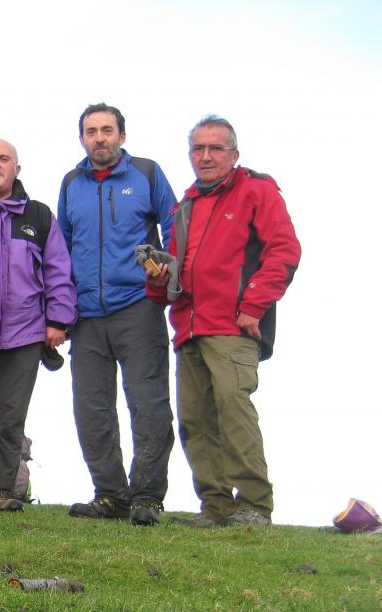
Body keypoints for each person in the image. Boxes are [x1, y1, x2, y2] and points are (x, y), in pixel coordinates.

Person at [147, 116, 301, 528]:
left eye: (216, 148)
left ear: (235, 154)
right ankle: (215, 507)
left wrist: (254, 305)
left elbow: (284, 251)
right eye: (198, 149)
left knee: (234, 412)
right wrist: (159, 278)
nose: (206, 156)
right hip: (189, 326)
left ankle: (254, 505)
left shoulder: (256, 189)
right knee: (195, 420)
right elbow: (172, 278)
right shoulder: (187, 204)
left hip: (233, 326)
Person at [57, 102, 176, 525]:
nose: (100, 138)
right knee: (91, 409)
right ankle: (110, 495)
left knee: (148, 404)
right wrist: (61, 309)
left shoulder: (146, 173)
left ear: (122, 136)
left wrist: (166, 273)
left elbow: (175, 228)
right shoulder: (71, 183)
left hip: (138, 307)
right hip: (86, 315)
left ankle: (146, 496)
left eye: (107, 130)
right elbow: (61, 250)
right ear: (82, 139)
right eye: (91, 131)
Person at [0, 139, 76, 511]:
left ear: (17, 169)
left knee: (12, 417)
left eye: (3, 159)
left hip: (25, 333)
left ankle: (2, 490)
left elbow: (59, 270)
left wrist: (58, 320)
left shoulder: (39, 216)